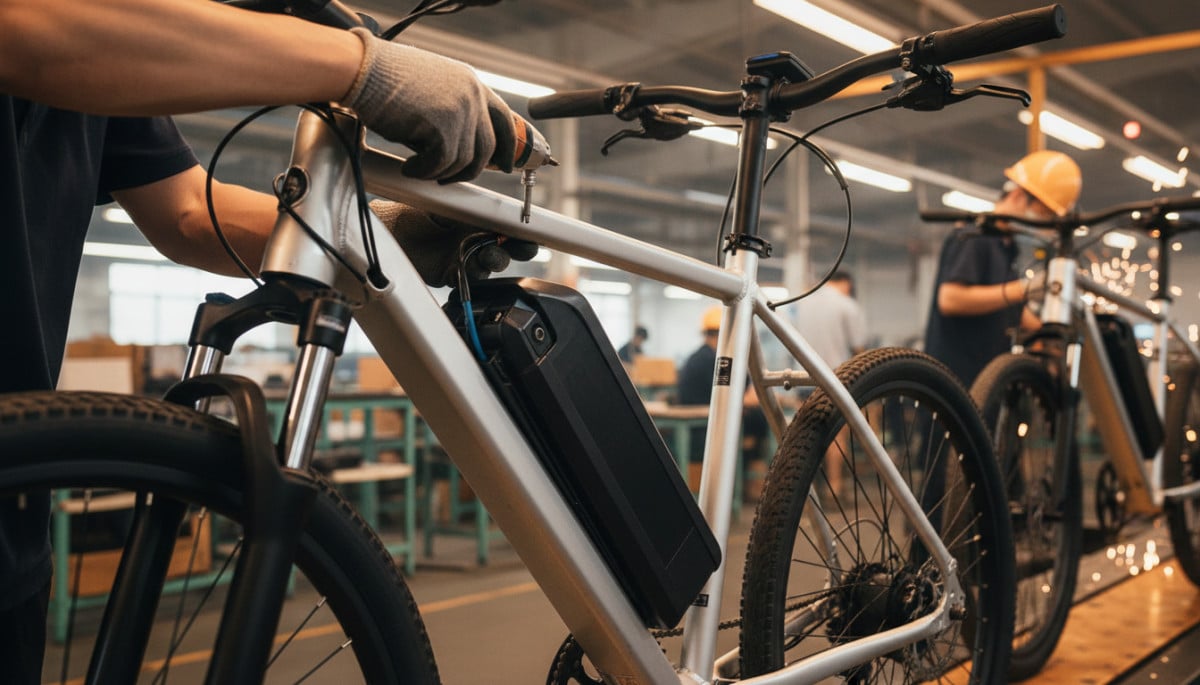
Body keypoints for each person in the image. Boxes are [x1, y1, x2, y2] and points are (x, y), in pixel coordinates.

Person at [1, 2, 526, 680]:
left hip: (14, 527)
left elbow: (187, 212)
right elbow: (27, 34)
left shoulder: (95, 55)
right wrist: (362, 69)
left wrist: (377, 235)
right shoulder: (53, 25)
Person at [923, 150, 1081, 386]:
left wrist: (1048, 333)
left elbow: (1008, 306)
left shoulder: (1007, 247)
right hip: (954, 382)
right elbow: (950, 299)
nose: (1042, 224)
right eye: (1041, 214)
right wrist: (1024, 288)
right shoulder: (974, 237)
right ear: (1017, 196)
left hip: (986, 381)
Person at [792, 271, 868, 495]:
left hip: (802, 377)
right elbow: (859, 349)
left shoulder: (802, 303)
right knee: (835, 436)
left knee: (803, 437)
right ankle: (834, 489)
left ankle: (803, 492)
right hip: (834, 378)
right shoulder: (847, 306)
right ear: (847, 283)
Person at [677, 307, 768, 494]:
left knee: (754, 420)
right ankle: (746, 482)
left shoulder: (697, 357)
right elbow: (747, 398)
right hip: (706, 431)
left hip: (697, 429)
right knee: (759, 420)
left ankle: (745, 480)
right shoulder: (720, 361)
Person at [792, 271, 868, 369]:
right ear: (846, 283)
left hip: (803, 371)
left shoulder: (802, 303)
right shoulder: (847, 304)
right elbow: (858, 347)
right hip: (835, 372)